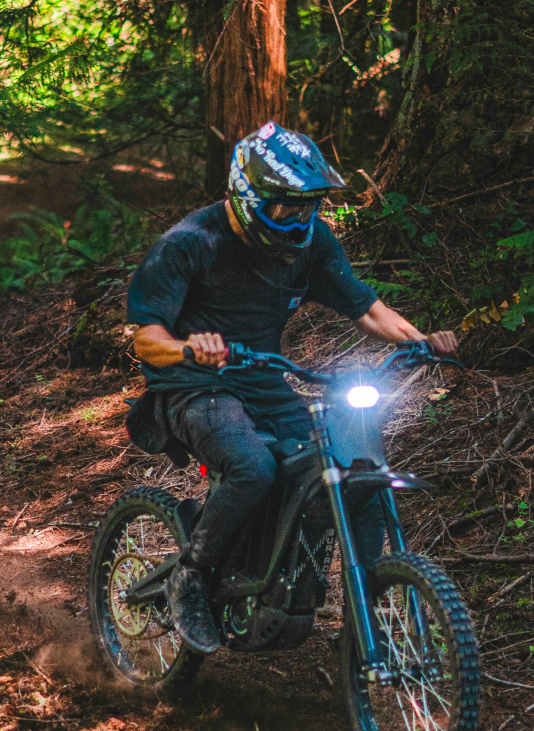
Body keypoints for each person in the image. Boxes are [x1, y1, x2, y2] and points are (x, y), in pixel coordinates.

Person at [124, 121, 458, 654]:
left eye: (308, 207)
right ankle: (191, 575)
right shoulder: (190, 243)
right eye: (284, 207)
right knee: (253, 467)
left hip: (262, 381)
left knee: (346, 472)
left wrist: (422, 342)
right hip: (191, 385)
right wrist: (188, 347)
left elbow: (368, 309)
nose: (298, 219)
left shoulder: (312, 242)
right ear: (247, 196)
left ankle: (365, 618)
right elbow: (146, 339)